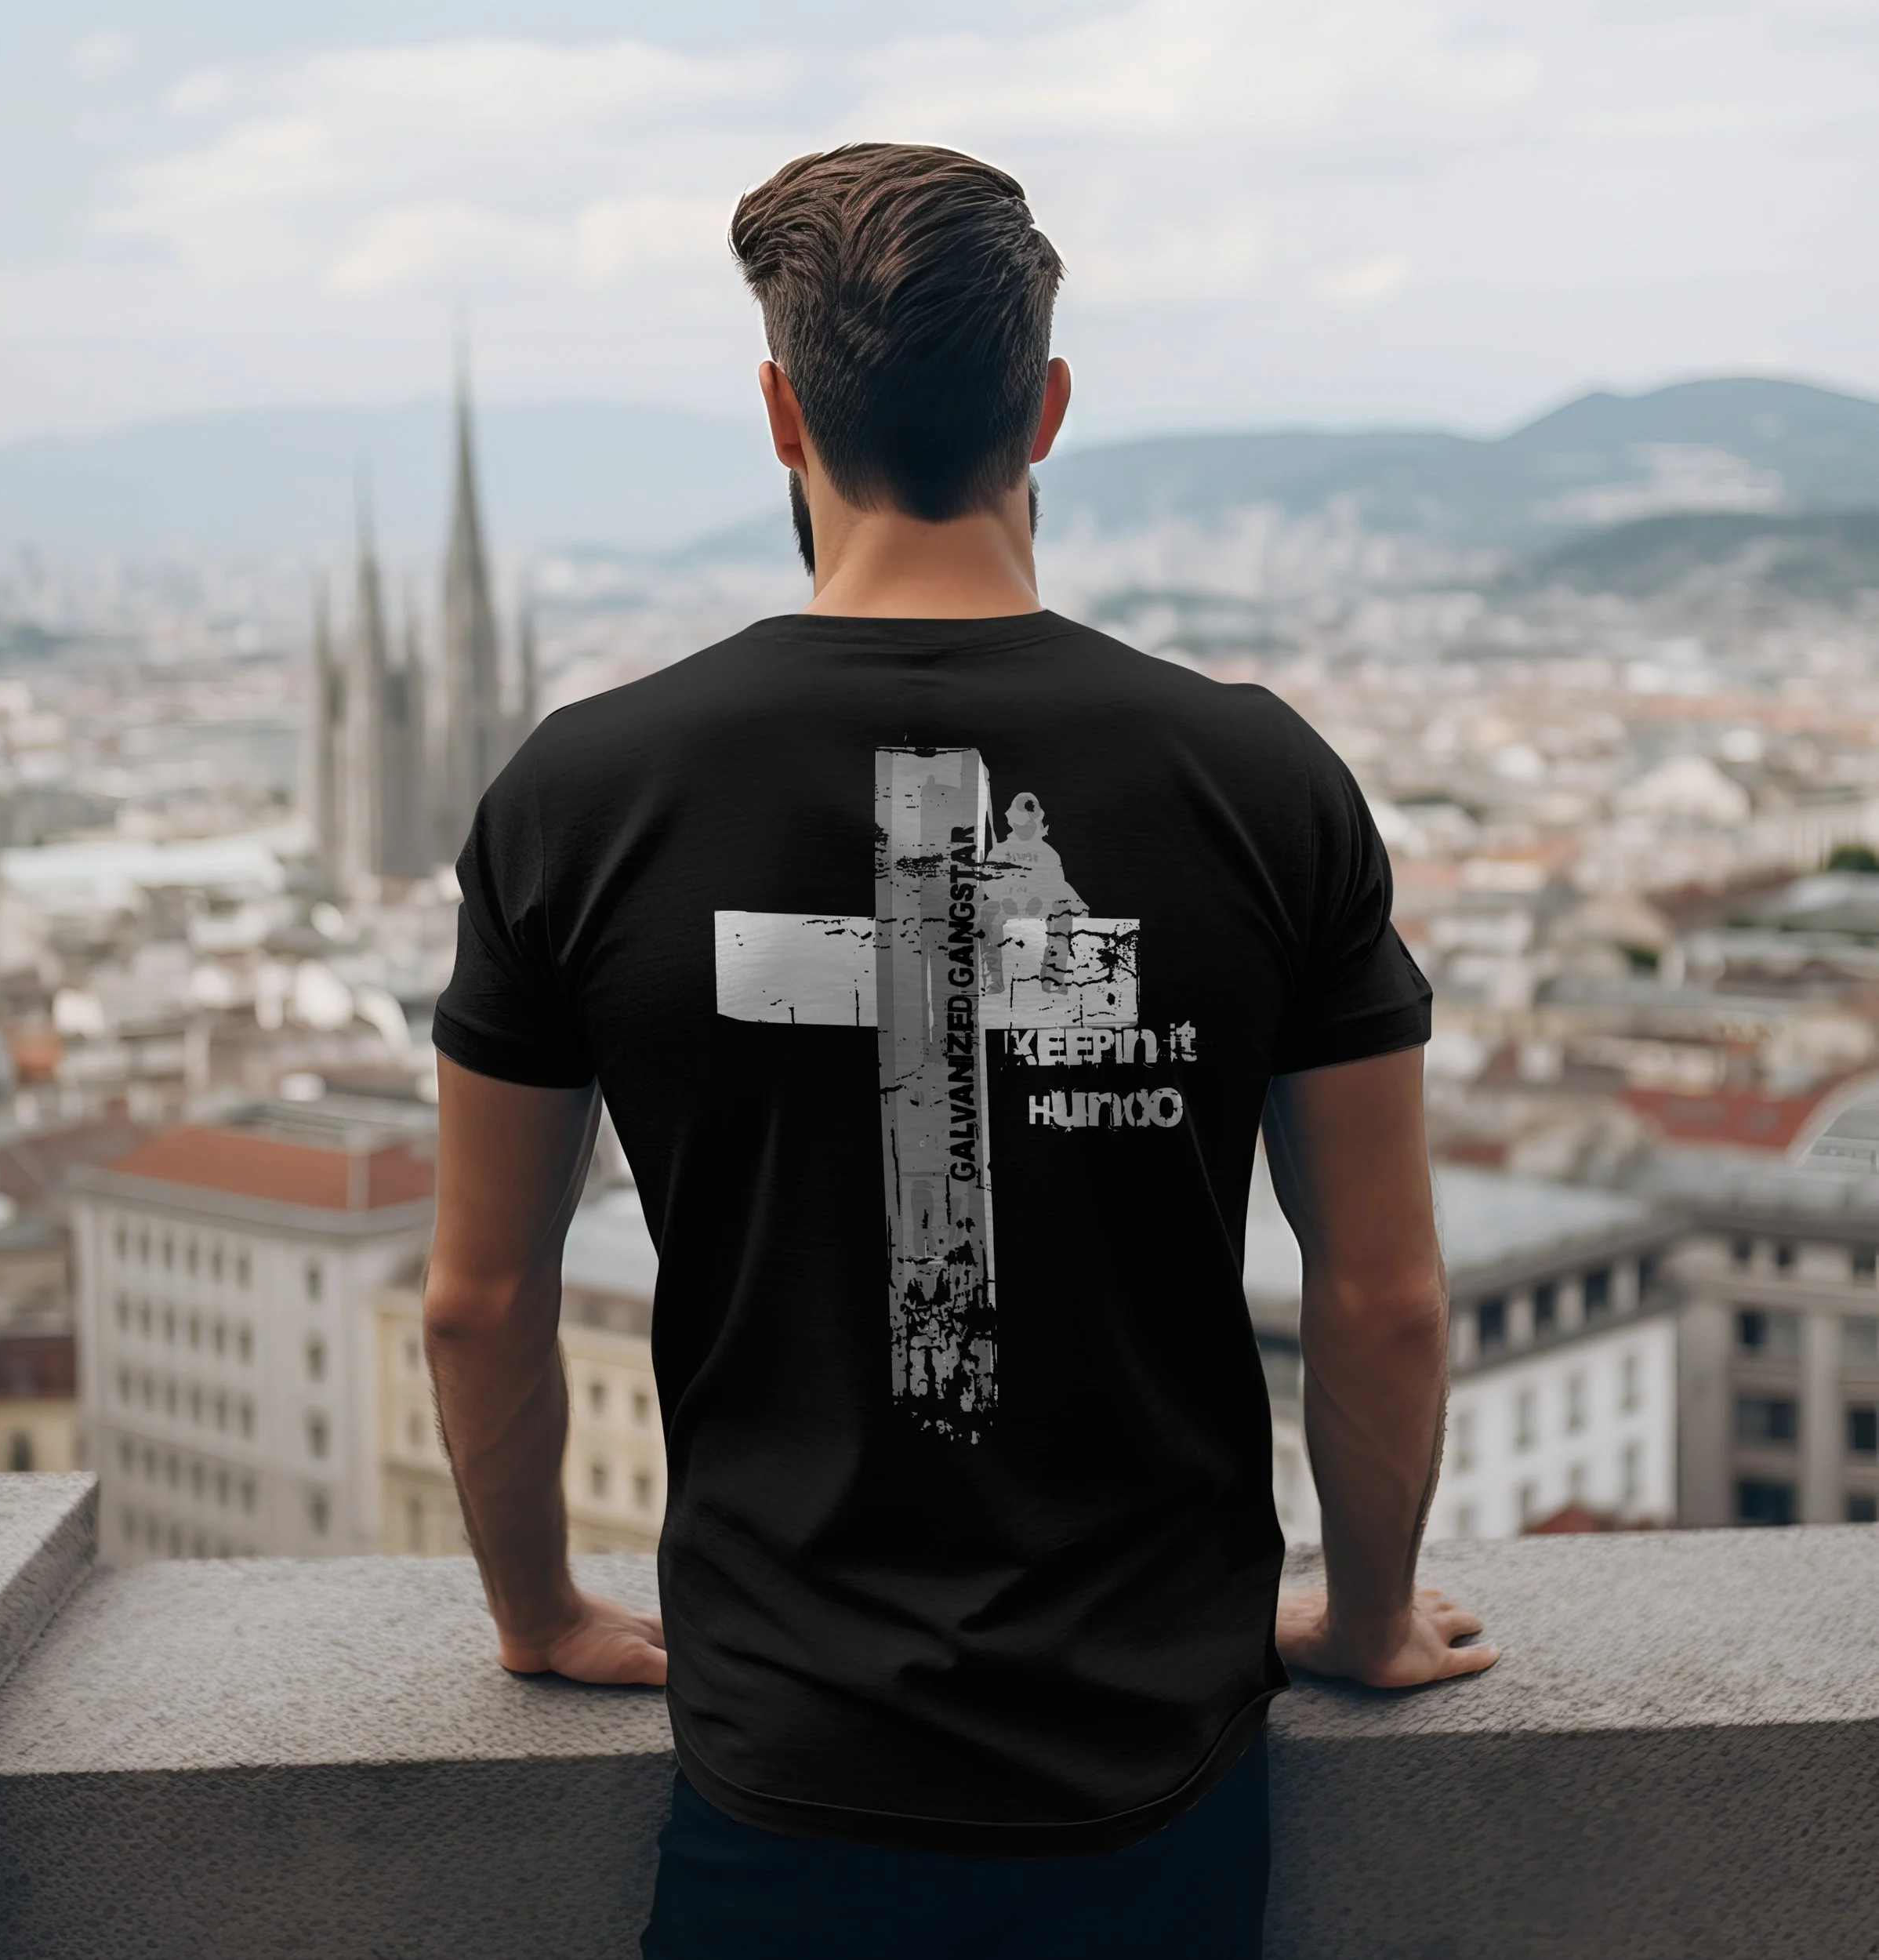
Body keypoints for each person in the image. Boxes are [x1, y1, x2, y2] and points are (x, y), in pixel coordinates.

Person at [423, 141, 1497, 1960]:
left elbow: (474, 1296)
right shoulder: (1252, 777)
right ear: (1047, 406)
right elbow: (1379, 1293)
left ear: (780, 415)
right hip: (1148, 1759)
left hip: (781, 1751)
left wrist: (536, 1612)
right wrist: (1364, 1612)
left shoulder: (584, 794)